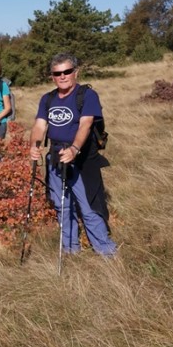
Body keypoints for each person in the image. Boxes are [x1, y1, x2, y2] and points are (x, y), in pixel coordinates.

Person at [29, 52, 116, 257]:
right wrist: (34, 145)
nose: (62, 76)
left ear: (75, 72)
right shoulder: (48, 99)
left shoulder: (86, 96)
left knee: (89, 207)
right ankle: (70, 250)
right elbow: (40, 125)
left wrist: (75, 149)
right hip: (55, 159)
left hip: (82, 160)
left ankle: (106, 252)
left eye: (67, 71)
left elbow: (85, 124)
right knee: (62, 206)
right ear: (52, 76)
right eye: (57, 73)